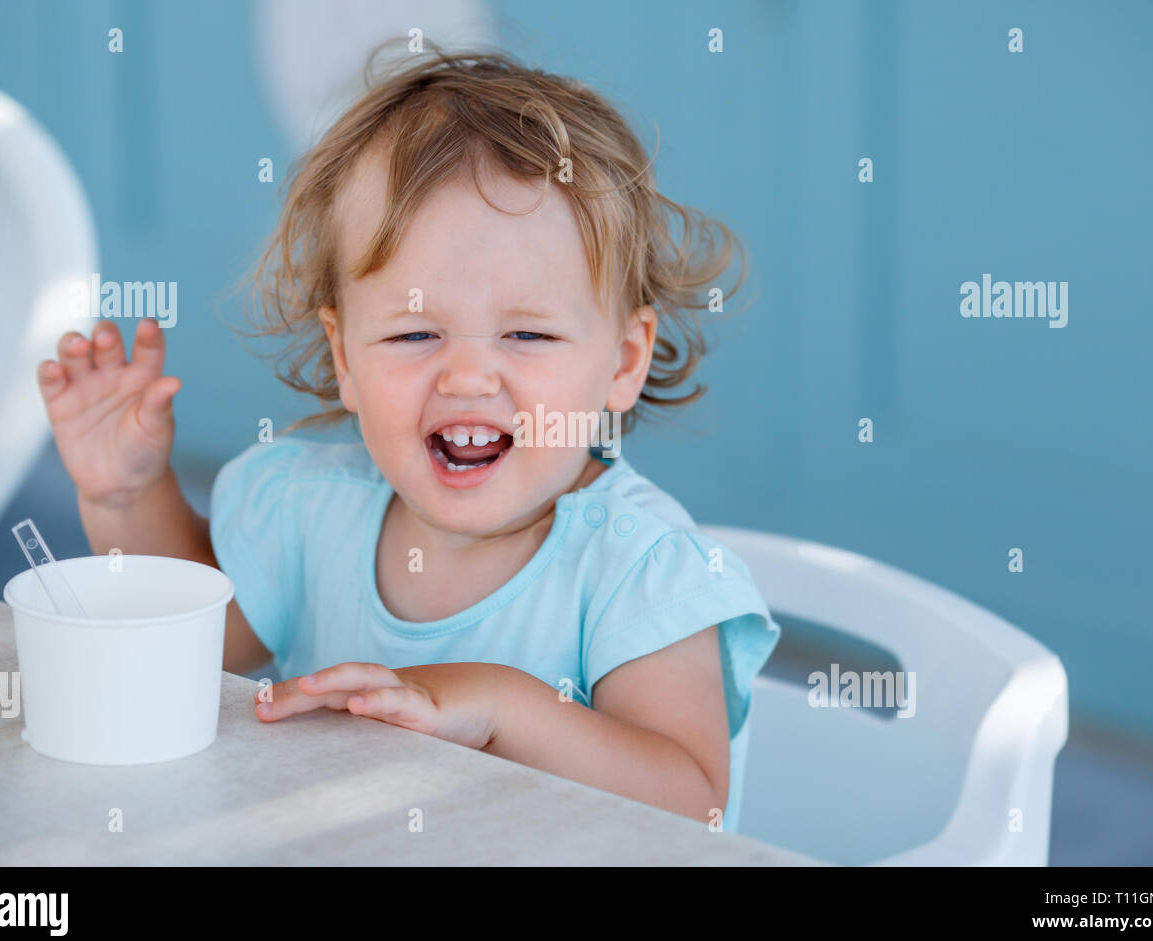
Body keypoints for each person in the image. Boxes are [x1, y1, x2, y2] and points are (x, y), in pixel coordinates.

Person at [38, 44, 780, 833]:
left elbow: (689, 799)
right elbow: (197, 653)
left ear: (622, 365)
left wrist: (498, 705)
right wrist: (126, 493)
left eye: (527, 335)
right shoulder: (309, 509)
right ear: (344, 357)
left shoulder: (642, 574)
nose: (467, 378)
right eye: (415, 333)